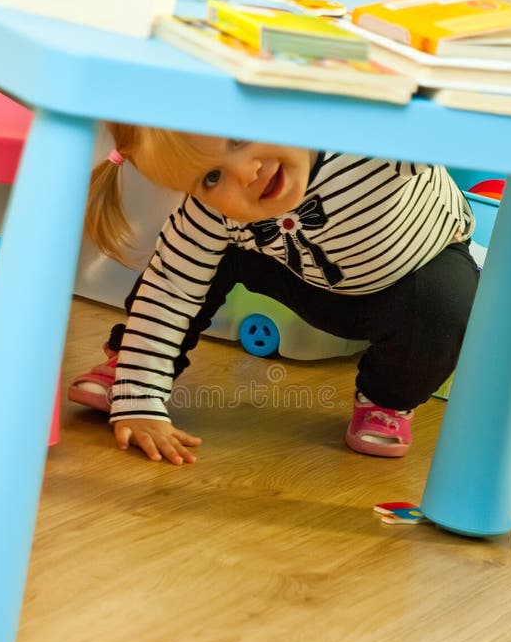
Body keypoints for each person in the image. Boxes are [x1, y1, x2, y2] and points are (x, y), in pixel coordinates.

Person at [68, 121, 479, 465]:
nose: (247, 173)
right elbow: (170, 291)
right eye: (213, 178)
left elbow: (450, 122)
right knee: (182, 259)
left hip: (406, 280)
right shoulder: (212, 212)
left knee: (446, 303)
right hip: (298, 278)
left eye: (240, 139)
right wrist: (138, 400)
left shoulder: (365, 141)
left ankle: (386, 401)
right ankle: (136, 370)